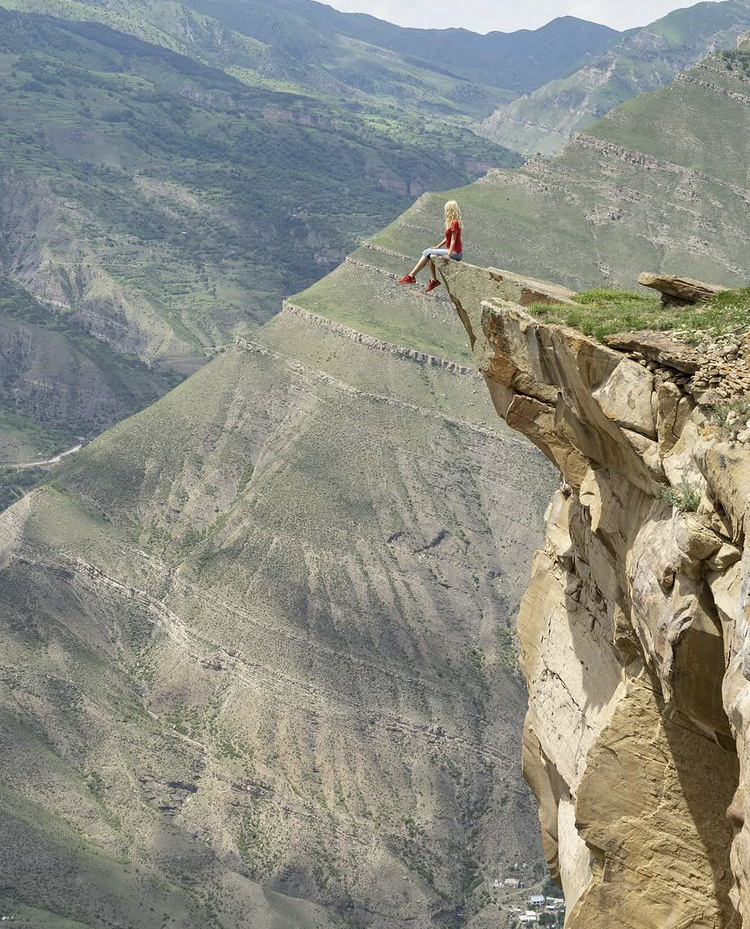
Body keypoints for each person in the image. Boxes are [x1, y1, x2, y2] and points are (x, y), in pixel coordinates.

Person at [399, 200, 463, 293]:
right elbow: (447, 238)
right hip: (453, 251)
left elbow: (453, 241)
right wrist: (438, 246)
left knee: (426, 252)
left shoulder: (454, 222)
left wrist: (449, 255)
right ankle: (433, 280)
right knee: (430, 254)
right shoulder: (452, 222)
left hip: (456, 253)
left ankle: (411, 276)